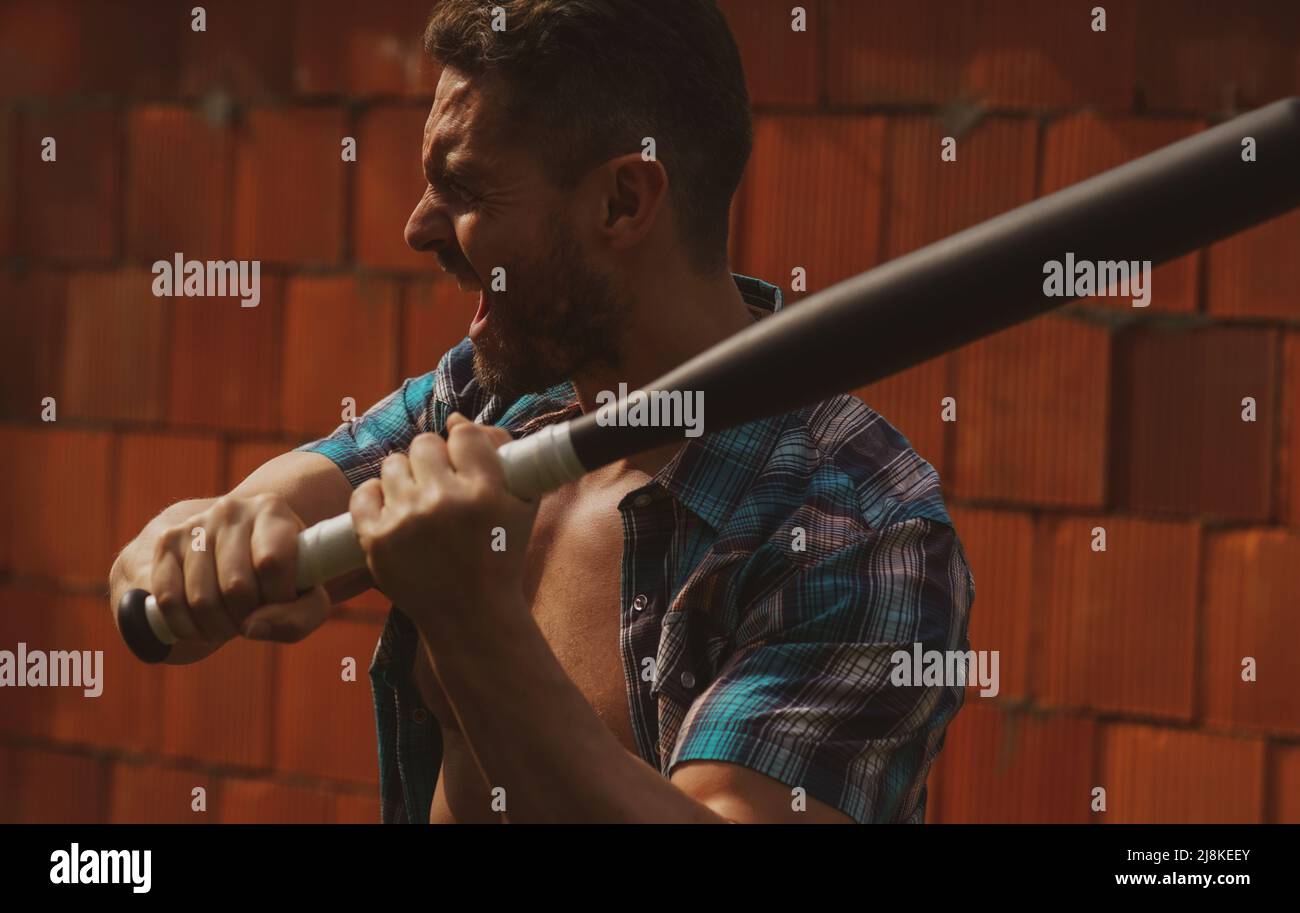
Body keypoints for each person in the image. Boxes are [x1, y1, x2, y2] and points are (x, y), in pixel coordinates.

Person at [109, 0, 973, 824]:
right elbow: (260, 514)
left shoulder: (857, 530)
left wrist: (472, 622)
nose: (417, 228)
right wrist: (197, 546)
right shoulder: (498, 396)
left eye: (465, 188)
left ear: (621, 203)